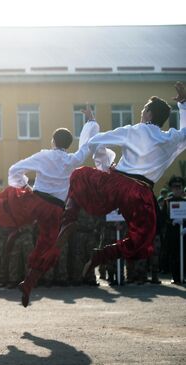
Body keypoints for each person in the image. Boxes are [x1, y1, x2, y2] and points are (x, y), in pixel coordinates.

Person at [58, 84, 186, 285]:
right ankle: (102, 255)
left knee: (80, 175)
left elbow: (97, 140)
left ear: (149, 114)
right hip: (142, 194)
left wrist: (100, 153)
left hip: (118, 184)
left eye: (144, 109)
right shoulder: (170, 137)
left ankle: (70, 218)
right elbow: (185, 133)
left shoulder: (133, 130)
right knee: (142, 240)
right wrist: (184, 105)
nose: (141, 112)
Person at [0, 106, 108, 307]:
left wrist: (23, 186)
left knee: (11, 209)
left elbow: (14, 169)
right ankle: (30, 281)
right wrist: (91, 122)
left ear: (53, 141)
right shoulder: (72, 159)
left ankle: (14, 248)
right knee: (46, 246)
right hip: (56, 209)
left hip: (36, 202)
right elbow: (88, 146)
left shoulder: (44, 155)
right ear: (68, 144)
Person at [160, 175, 186, 284]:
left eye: (179, 187)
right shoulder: (167, 202)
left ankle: (183, 276)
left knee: (184, 254)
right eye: (175, 187)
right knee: (173, 255)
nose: (177, 189)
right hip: (172, 232)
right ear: (171, 188)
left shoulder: (185, 201)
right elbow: (163, 217)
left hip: (184, 232)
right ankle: (176, 277)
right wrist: (172, 222)